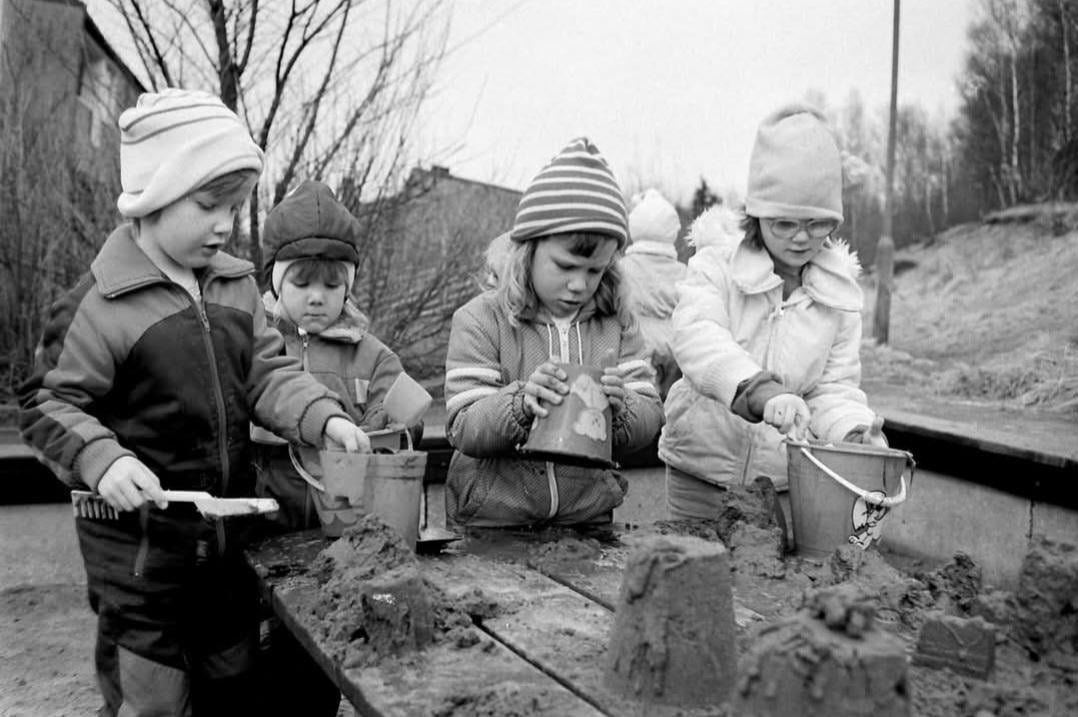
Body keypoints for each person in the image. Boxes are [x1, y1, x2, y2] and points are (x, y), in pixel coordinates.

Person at [17, 88, 370, 717]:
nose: (225, 224)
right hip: (139, 562)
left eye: (234, 207)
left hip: (228, 549)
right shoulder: (101, 303)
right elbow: (47, 404)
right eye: (209, 206)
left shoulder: (235, 287)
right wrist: (102, 459)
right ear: (152, 196)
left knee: (233, 691)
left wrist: (324, 417)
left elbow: (268, 374)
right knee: (152, 703)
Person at [658, 104, 887, 522]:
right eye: (784, 224)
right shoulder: (716, 266)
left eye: (817, 224)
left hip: (779, 483)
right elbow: (698, 338)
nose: (801, 238)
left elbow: (833, 389)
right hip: (699, 474)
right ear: (757, 214)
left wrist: (854, 433)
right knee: (686, 561)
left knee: (765, 562)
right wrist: (759, 391)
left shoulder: (838, 296)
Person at [443, 137, 665, 528]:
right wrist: (521, 402)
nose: (580, 285)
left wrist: (622, 406)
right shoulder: (481, 319)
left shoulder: (617, 323)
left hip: (587, 519)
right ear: (527, 251)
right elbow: (464, 425)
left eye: (594, 271)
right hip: (493, 520)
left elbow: (650, 416)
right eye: (565, 266)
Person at [252, 179, 411, 532]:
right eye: (301, 283)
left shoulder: (374, 356)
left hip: (348, 516)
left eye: (331, 285)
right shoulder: (257, 345)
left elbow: (403, 418)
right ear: (277, 283)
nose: (317, 297)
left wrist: (381, 423)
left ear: (348, 288)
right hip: (268, 518)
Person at [621, 188, 686, 400]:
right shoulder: (684, 272)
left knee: (642, 402)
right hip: (677, 350)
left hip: (639, 347)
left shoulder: (622, 269)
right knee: (673, 404)